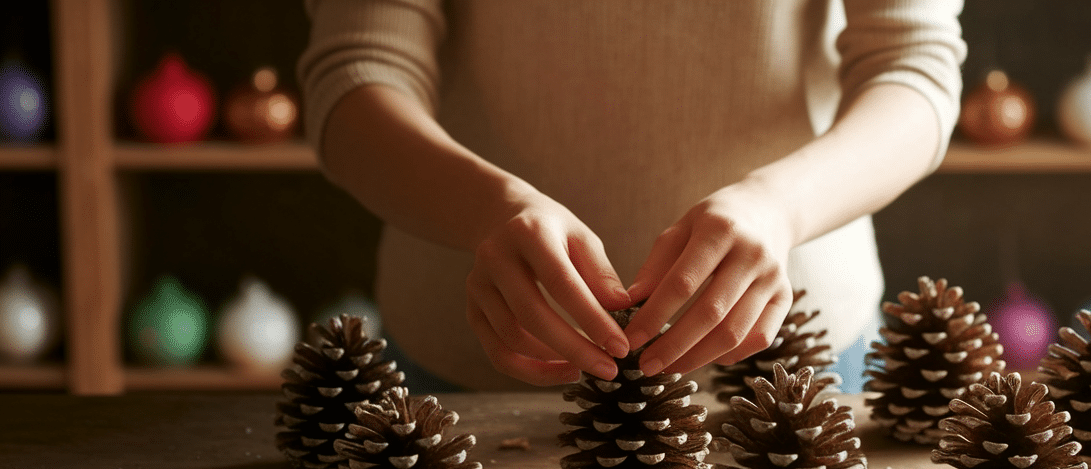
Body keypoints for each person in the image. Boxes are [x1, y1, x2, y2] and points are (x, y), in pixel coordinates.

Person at [297, 0, 966, 391]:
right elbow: (355, 71)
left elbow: (913, 64)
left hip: (791, 358)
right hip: (468, 360)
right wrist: (485, 209)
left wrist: (781, 207)